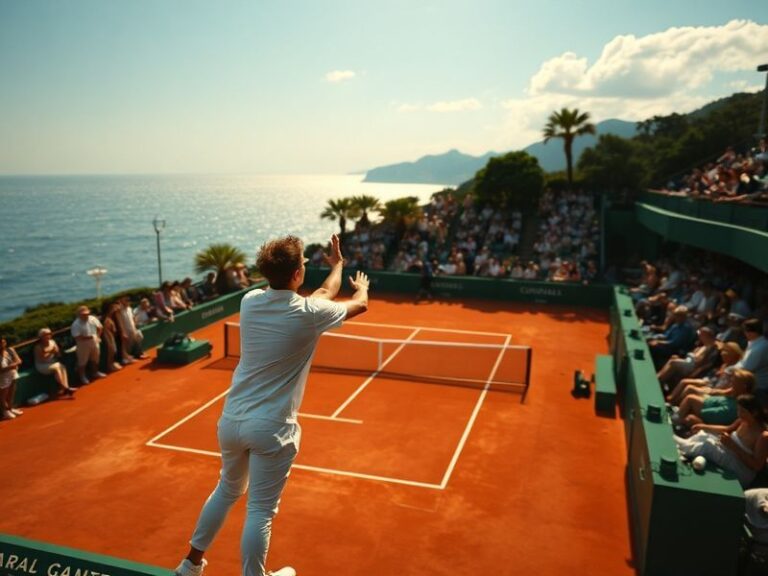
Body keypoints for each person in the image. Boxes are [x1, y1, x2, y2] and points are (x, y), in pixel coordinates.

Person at [174, 234, 370, 576]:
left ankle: (190, 564)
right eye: (303, 266)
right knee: (261, 510)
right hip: (273, 428)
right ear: (297, 274)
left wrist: (336, 265)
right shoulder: (309, 314)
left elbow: (323, 294)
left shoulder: (250, 301)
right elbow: (356, 304)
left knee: (226, 489)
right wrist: (360, 288)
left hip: (232, 420)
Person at [675, 394, 768, 488]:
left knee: (708, 446)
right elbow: (727, 429)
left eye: (743, 411)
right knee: (703, 435)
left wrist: (732, 446)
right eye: (738, 410)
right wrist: (703, 426)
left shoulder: (763, 436)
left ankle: (678, 448)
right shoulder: (743, 420)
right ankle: (682, 446)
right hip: (729, 452)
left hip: (742, 470)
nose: (739, 414)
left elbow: (756, 466)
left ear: (755, 412)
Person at [34, 328, 75, 397]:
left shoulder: (52, 342)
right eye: (46, 335)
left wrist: (57, 352)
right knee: (56, 367)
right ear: (41, 337)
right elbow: (41, 359)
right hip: (42, 365)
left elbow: (58, 354)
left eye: (49, 334)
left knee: (62, 366)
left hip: (52, 362)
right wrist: (51, 352)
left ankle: (65, 387)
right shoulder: (38, 347)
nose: (48, 336)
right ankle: (66, 388)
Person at [71, 305, 106, 385]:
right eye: (83, 314)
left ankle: (95, 372)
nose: (86, 315)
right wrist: (91, 337)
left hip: (94, 342)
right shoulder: (76, 324)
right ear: (79, 314)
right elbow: (77, 337)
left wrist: (97, 336)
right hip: (83, 345)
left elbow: (100, 327)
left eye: (87, 314)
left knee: (95, 358)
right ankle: (82, 377)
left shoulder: (92, 319)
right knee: (82, 361)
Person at [0, 336, 23, 420]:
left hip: (13, 374)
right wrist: (12, 366)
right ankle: (5, 411)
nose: (2, 345)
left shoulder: (10, 350)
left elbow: (19, 360)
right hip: (2, 377)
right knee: (3, 395)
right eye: (1, 343)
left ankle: (10, 408)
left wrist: (12, 366)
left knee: (12, 392)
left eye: (3, 342)